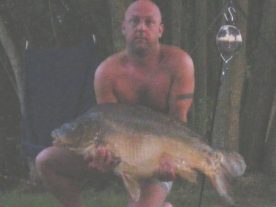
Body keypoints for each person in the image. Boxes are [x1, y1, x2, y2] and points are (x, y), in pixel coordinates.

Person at [35, 1, 195, 207]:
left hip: (155, 161)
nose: (141, 27)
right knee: (45, 160)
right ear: (124, 28)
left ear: (160, 29)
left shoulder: (179, 63)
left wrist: (171, 161)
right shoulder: (107, 72)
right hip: (114, 159)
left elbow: (179, 123)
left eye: (149, 22)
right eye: (134, 21)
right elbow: (106, 121)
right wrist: (103, 157)